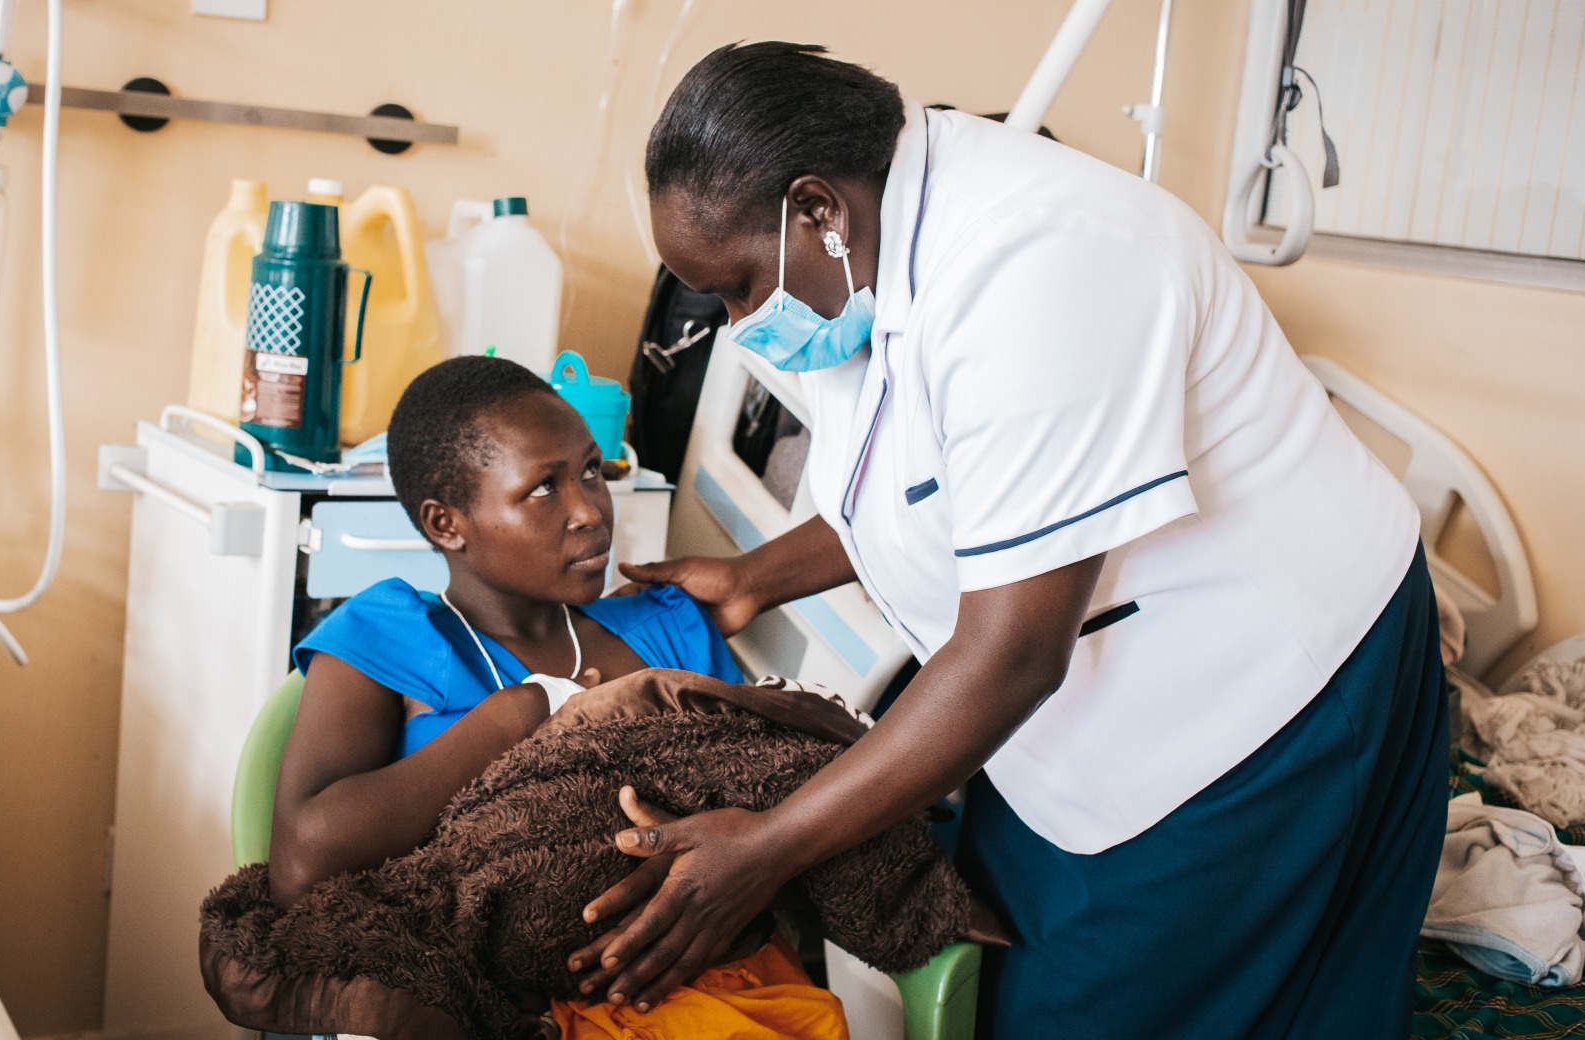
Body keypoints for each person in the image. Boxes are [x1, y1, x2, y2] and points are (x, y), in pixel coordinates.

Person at [570, 42, 1448, 1040]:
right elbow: (929, 490)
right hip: (1071, 694)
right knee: (1025, 980)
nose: (736, 325)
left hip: (1270, 684)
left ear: (817, 209)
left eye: (736, 287)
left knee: (1165, 999)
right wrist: (750, 578)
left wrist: (768, 846)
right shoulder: (856, 263)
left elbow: (1012, 651)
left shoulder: (1043, 264)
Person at [268, 355, 849, 1039]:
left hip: (699, 983)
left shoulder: (665, 628)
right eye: (543, 489)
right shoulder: (389, 636)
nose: (589, 512)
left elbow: (779, 797)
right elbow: (302, 861)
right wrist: (520, 714)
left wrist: (700, 865)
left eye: (593, 472)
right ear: (445, 522)